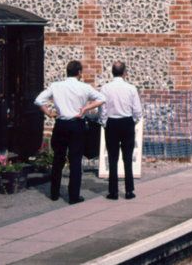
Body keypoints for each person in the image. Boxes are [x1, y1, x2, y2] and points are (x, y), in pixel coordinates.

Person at [35, 60, 105, 204]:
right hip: (76, 124)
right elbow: (102, 99)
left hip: (60, 124)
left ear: (67, 71)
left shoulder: (56, 86)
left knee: (58, 159)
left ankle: (54, 193)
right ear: (79, 72)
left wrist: (48, 113)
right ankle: (74, 196)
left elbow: (38, 100)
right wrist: (85, 108)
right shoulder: (85, 87)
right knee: (75, 161)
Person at [99, 61, 142, 200]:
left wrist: (104, 122)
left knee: (112, 158)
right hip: (126, 121)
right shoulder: (131, 88)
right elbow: (137, 109)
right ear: (125, 73)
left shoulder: (105, 88)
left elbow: (102, 109)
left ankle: (113, 191)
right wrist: (134, 120)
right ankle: (129, 190)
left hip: (112, 122)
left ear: (112, 72)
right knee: (127, 157)